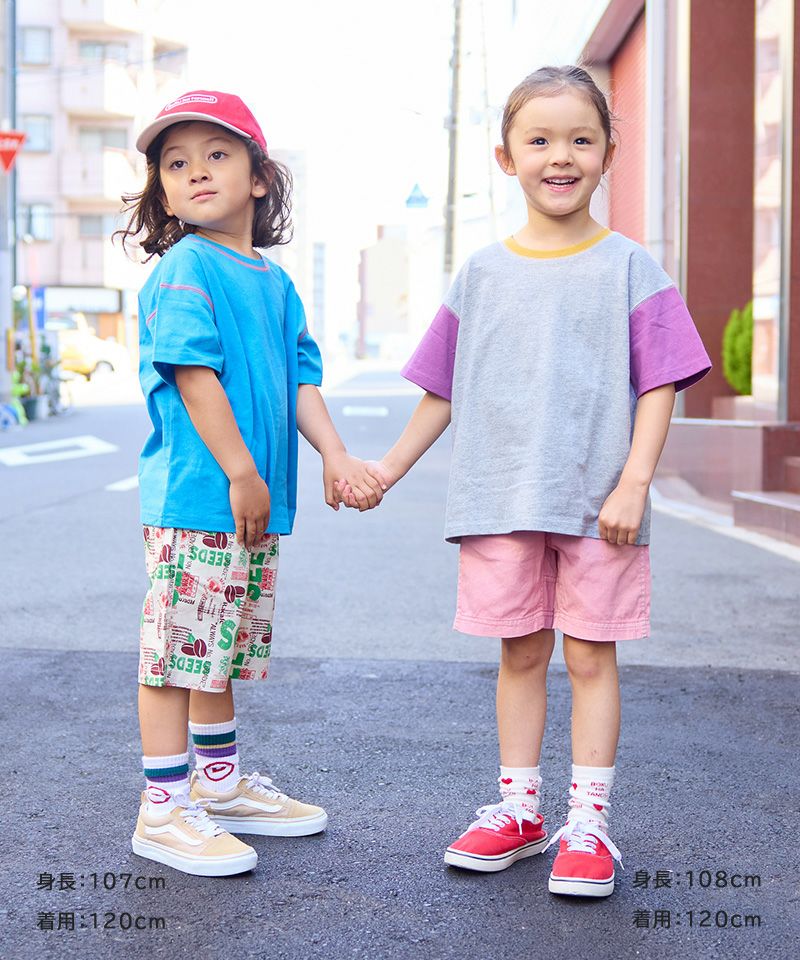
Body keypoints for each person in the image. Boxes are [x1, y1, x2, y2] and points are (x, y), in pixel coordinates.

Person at [342, 65, 711, 898]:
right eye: (539, 140)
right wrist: (388, 470)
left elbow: (661, 382)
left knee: (590, 654)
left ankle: (590, 822)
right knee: (519, 650)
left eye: (581, 139)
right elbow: (443, 389)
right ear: (506, 158)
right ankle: (519, 810)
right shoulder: (481, 273)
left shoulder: (630, 267)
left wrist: (635, 482)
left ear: (609, 152)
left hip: (599, 502)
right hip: (499, 495)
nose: (561, 156)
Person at [117, 90, 383, 877]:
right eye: (176, 164)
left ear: (260, 178)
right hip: (202, 495)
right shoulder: (187, 267)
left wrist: (334, 454)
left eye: (216, 155)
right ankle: (163, 807)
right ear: (164, 193)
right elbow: (192, 373)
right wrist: (242, 471)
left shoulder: (274, 283)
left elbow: (302, 379)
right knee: (175, 655)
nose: (195, 171)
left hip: (246, 502)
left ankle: (220, 784)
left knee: (217, 649)